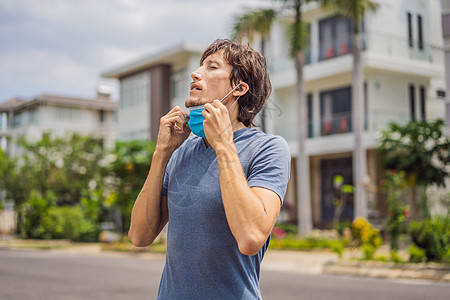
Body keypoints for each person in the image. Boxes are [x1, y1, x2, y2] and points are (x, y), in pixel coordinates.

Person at [128, 39, 291, 299]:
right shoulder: (181, 151)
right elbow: (139, 236)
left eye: (211, 67)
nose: (196, 73)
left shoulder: (268, 148)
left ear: (239, 88)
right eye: (199, 67)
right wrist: (162, 153)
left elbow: (251, 237)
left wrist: (224, 145)